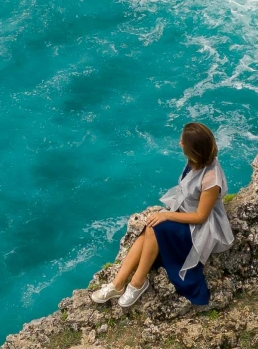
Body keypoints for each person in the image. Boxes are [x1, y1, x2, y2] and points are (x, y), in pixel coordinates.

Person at [92, 122, 232, 309]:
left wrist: (167, 216)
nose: (179, 144)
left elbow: (201, 217)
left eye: (183, 142)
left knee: (156, 227)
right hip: (186, 214)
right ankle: (117, 284)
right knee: (149, 227)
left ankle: (138, 283)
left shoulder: (211, 179)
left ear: (195, 150)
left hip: (201, 229)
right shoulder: (195, 161)